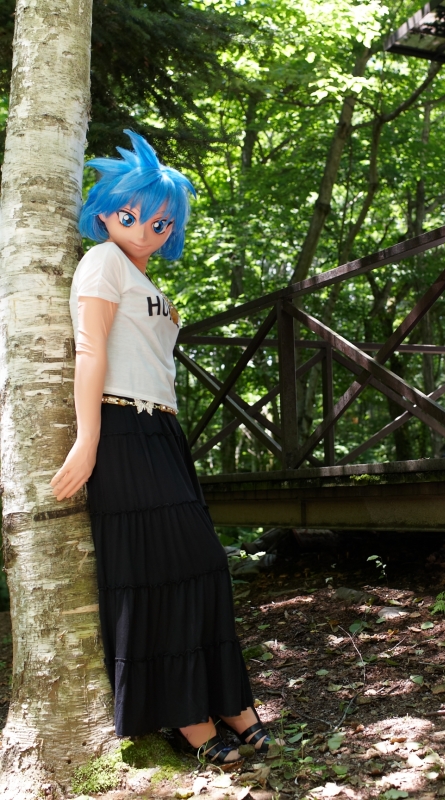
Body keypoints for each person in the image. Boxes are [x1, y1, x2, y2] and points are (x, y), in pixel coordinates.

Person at [50, 130, 270, 767]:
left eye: (159, 222)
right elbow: (90, 351)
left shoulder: (139, 275)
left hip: (161, 430)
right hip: (121, 427)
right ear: (105, 213)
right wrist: (88, 439)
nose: (144, 229)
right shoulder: (102, 262)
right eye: (131, 215)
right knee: (157, 570)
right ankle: (187, 715)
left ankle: (228, 701)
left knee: (202, 565)